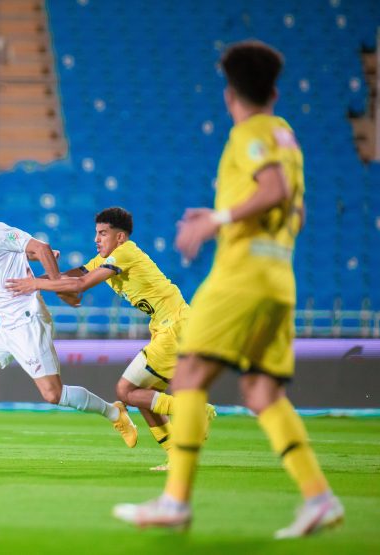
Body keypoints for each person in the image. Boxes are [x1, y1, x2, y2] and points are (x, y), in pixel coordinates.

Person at [113, 40, 344, 538]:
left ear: (229, 94)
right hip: (279, 278)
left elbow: (275, 189)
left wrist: (217, 220)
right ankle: (319, 497)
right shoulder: (286, 134)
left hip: (240, 277)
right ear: (275, 90)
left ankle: (175, 502)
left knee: (190, 375)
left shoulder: (250, 134)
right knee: (262, 391)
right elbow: (295, 209)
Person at [0, 193, 137, 464]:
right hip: (8, 327)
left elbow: (41, 246)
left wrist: (56, 283)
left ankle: (115, 414)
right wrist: (39, 259)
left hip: (27, 323)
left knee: (53, 394)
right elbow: (31, 252)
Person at [6, 207, 216, 470]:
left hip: (175, 327)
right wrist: (37, 275)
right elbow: (69, 278)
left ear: (120, 237)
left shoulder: (125, 253)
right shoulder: (104, 259)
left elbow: (80, 287)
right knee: (144, 396)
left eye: (103, 233)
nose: (97, 239)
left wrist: (35, 285)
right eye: (96, 233)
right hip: (171, 328)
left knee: (126, 391)